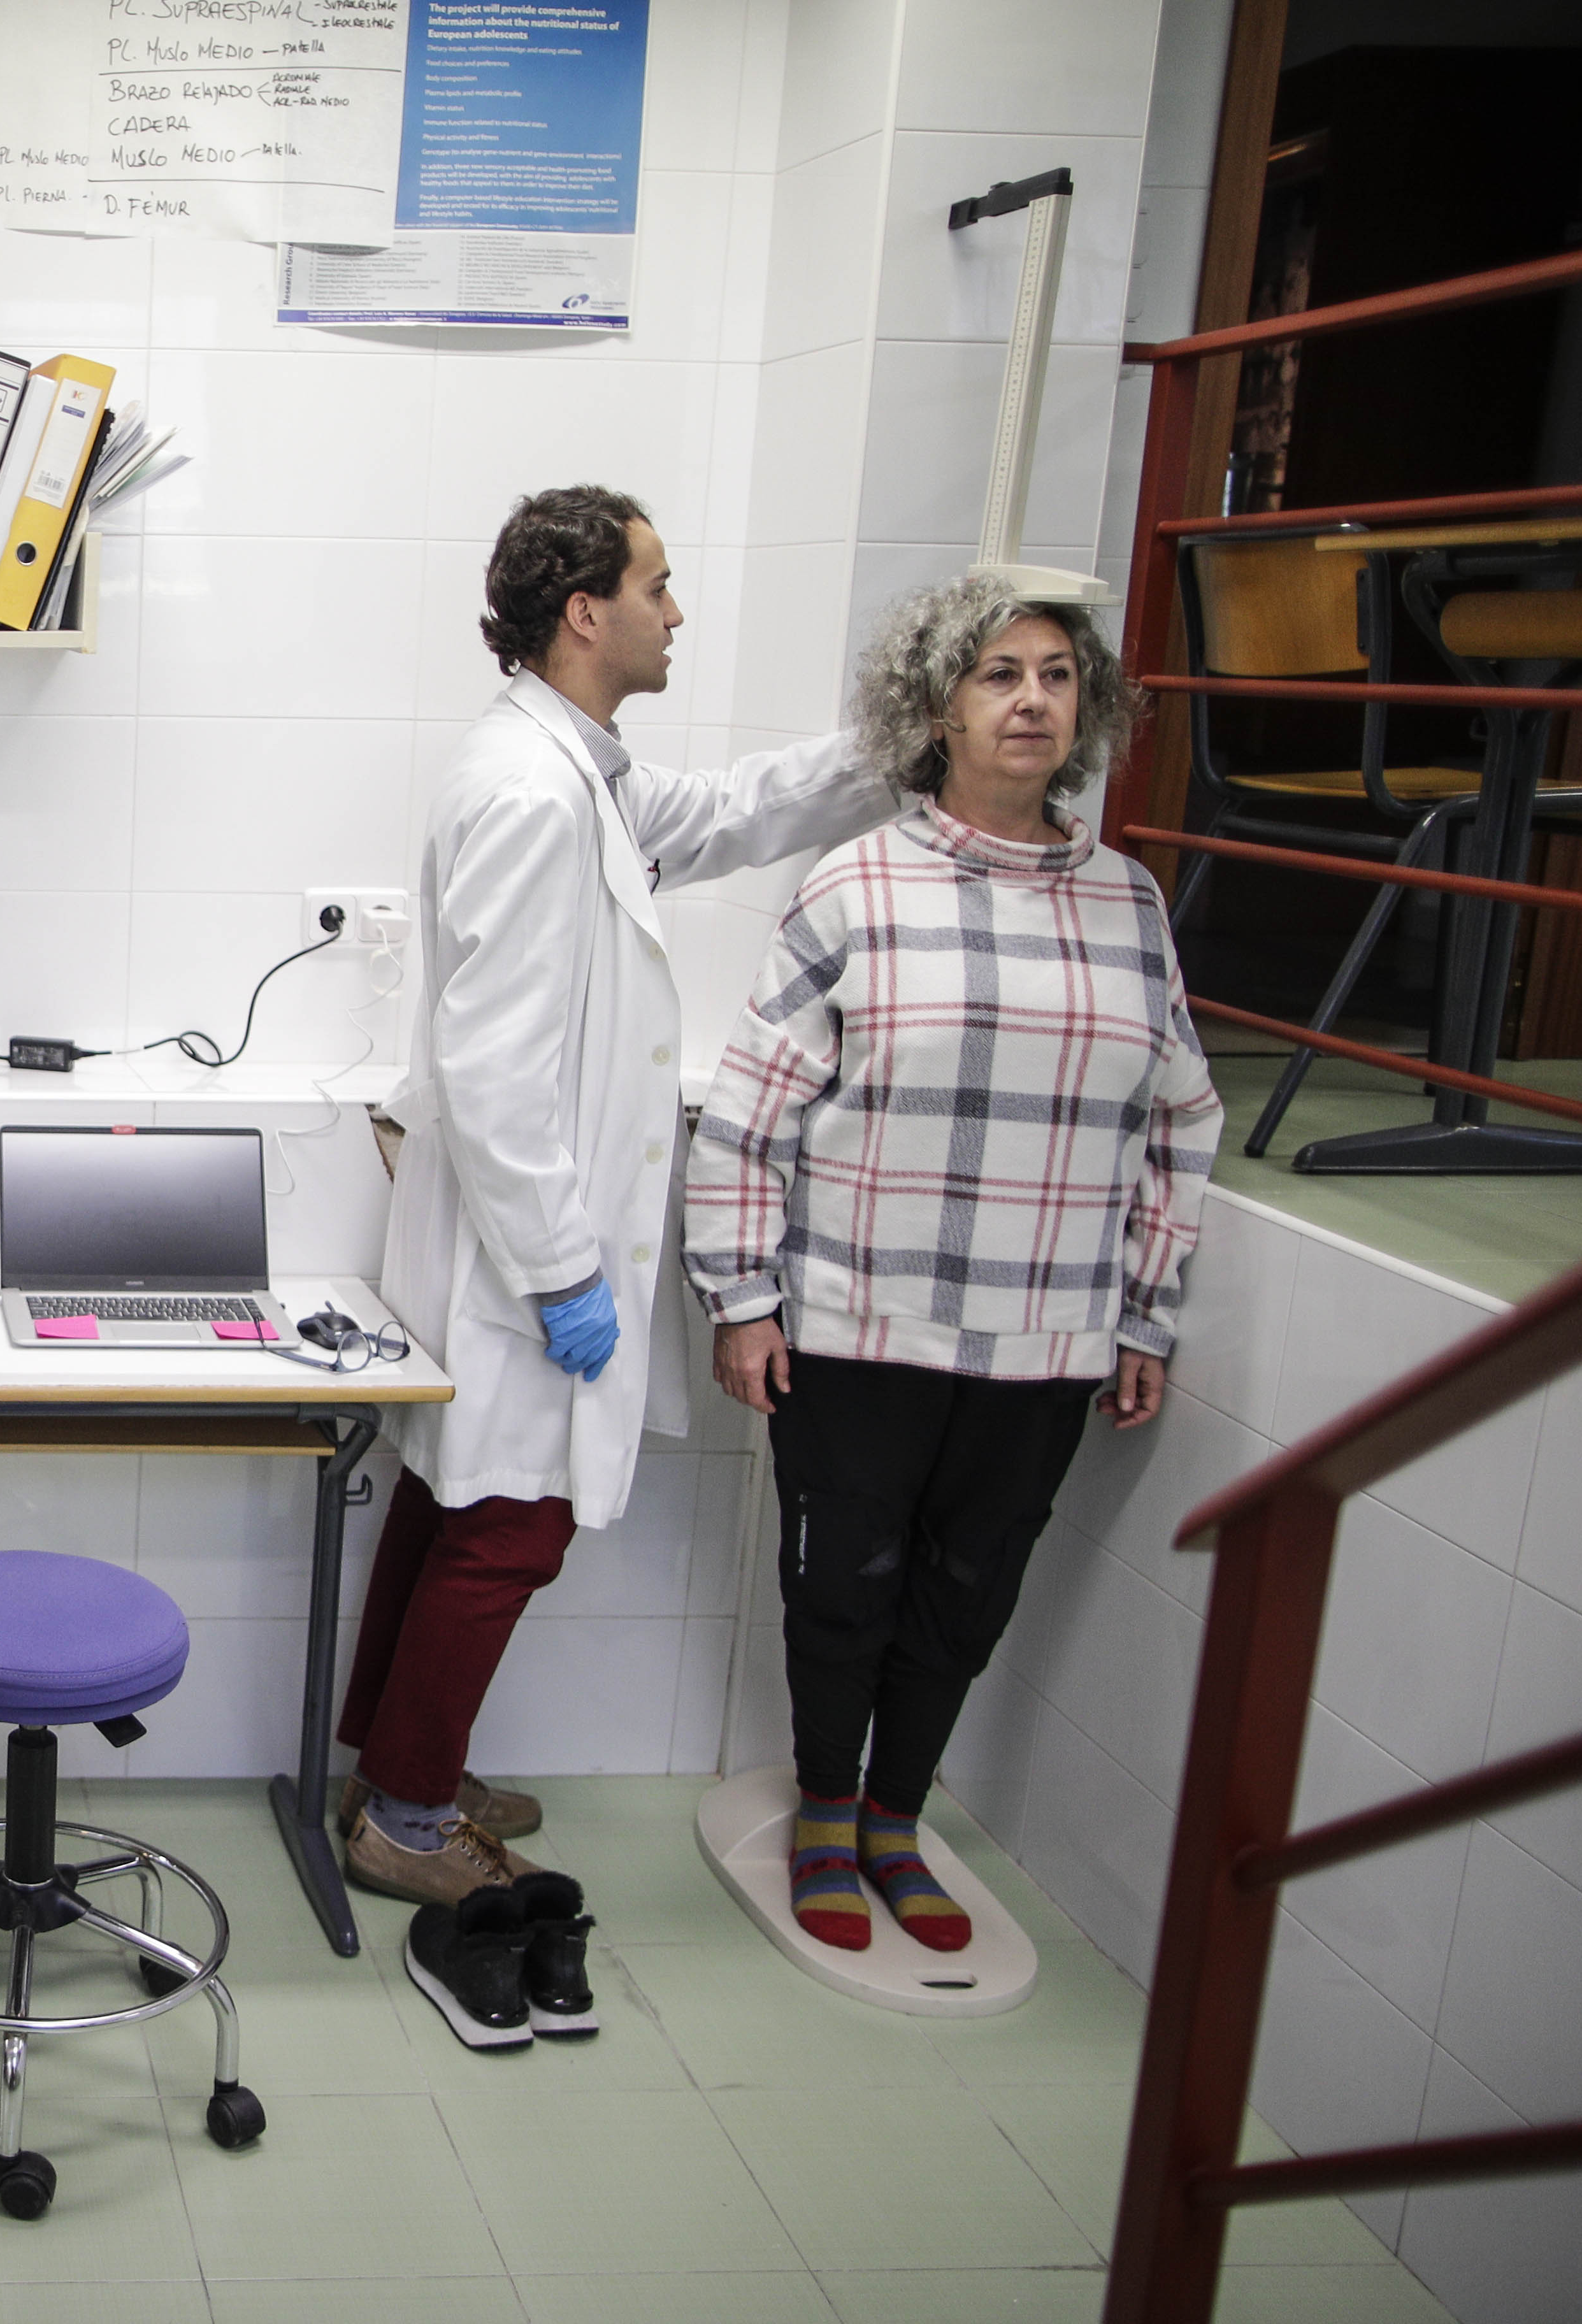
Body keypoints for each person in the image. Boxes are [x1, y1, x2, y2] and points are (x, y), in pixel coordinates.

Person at [340, 486, 896, 1908]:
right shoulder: (534, 792)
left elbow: (725, 812)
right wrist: (564, 1274)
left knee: (453, 1501)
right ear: (584, 610)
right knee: (507, 1524)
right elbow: (495, 1062)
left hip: (505, 1242)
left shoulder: (574, 769)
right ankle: (404, 1817)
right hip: (522, 1253)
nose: (677, 611)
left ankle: (392, 1762)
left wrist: (902, 737)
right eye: (658, 585)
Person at [682, 572, 1219, 1954]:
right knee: (842, 1586)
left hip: (1046, 1339)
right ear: (938, 710)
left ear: (1087, 709)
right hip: (861, 1324)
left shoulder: (1128, 905)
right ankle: (819, 1813)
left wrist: (1148, 1319)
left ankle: (896, 1823)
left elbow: (1183, 1121)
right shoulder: (857, 885)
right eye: (999, 674)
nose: (1033, 698)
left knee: (968, 1591)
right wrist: (744, 1301)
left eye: (1056, 675)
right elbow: (751, 1115)